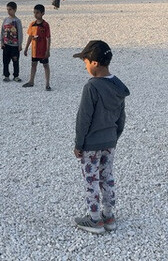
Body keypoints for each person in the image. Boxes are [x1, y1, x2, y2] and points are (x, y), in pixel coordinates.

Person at [71, 40, 130, 233]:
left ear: (94, 63)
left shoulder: (92, 87)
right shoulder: (118, 86)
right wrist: (115, 136)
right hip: (110, 141)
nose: (85, 66)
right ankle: (109, 215)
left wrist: (79, 143)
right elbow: (121, 117)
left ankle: (95, 218)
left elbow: (83, 119)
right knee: (107, 177)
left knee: (91, 180)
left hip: (91, 144)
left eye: (86, 62)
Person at [22, 4, 51, 90]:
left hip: (43, 50)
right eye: (34, 12)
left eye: (37, 13)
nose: (35, 14)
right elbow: (30, 36)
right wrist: (26, 48)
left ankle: (47, 83)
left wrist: (48, 50)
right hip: (34, 50)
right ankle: (31, 81)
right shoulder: (32, 24)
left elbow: (48, 38)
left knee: (45, 65)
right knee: (33, 65)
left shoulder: (45, 25)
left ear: (42, 13)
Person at [0, 1, 23, 82]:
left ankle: (16, 75)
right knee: (5, 61)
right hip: (6, 45)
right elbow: (2, 31)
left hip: (15, 46)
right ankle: (6, 75)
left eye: (10, 9)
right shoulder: (5, 20)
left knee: (15, 61)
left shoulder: (17, 21)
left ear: (15, 10)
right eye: (7, 9)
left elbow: (20, 33)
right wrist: (2, 42)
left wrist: (20, 44)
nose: (9, 11)